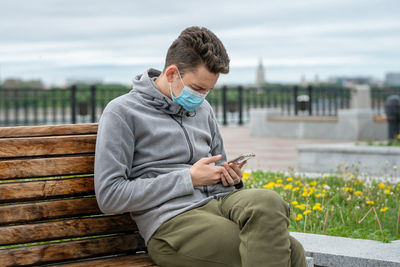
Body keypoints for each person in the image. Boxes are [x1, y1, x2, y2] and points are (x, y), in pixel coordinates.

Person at [94, 26, 306, 267]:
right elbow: (109, 196)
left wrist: (230, 177)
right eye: (197, 88)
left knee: (269, 201)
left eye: (208, 90)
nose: (202, 97)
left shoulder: (203, 110)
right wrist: (189, 179)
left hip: (216, 203)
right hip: (171, 222)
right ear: (172, 73)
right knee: (292, 252)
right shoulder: (122, 112)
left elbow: (219, 168)